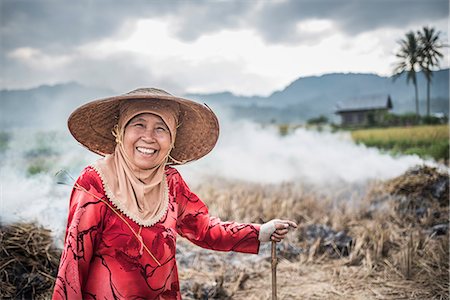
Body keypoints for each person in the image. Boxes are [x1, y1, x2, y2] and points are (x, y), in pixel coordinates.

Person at [52, 88, 297, 299]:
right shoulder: (94, 182)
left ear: (171, 139)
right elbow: (74, 262)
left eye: (161, 128)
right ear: (120, 132)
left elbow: (204, 229)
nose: (148, 137)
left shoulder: (171, 182)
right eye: (138, 125)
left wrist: (258, 232)